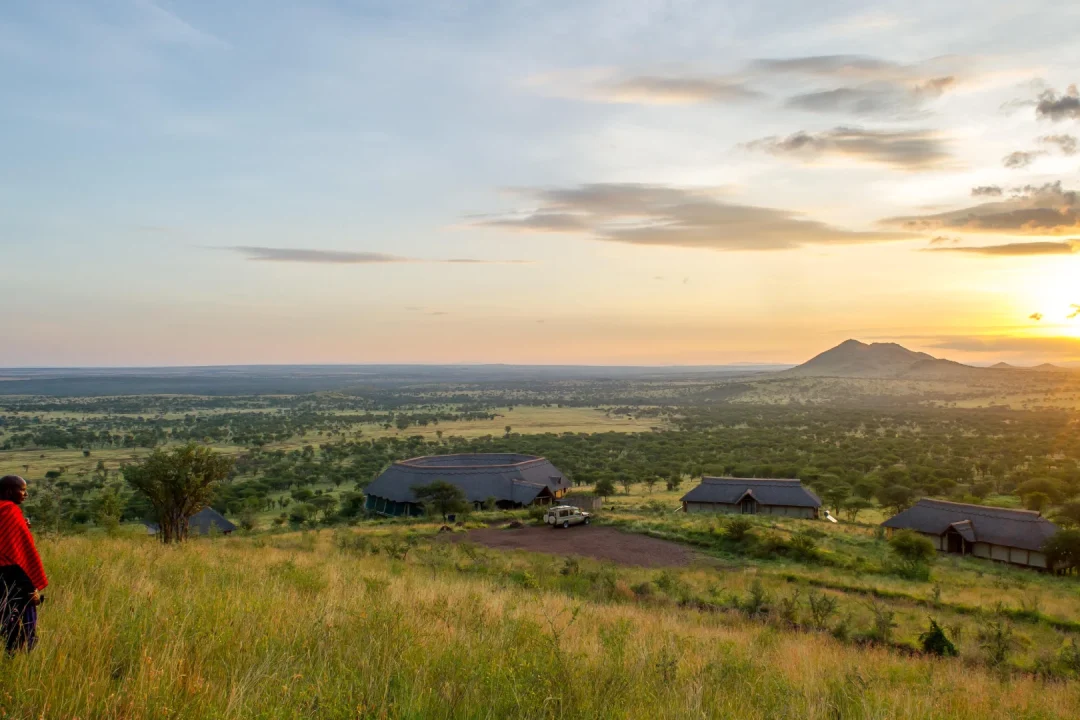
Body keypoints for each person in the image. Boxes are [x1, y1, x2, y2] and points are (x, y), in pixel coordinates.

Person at [0, 475, 47, 654]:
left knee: (6, 617)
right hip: (12, 575)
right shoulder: (10, 511)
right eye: (22, 490)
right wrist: (29, 588)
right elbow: (12, 553)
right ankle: (20, 657)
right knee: (20, 621)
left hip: (4, 575)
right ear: (9, 491)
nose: (25, 494)